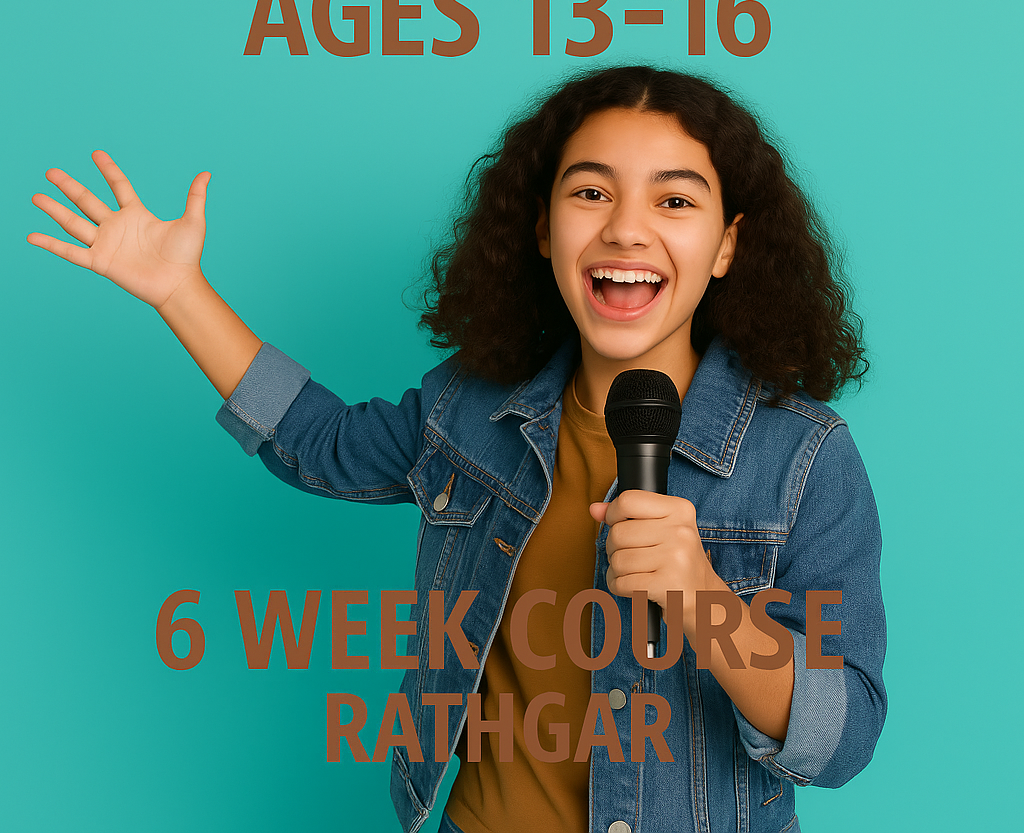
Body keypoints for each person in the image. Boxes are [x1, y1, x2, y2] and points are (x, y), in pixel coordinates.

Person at [28, 65, 885, 833]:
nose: (627, 230)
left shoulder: (803, 458)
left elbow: (841, 737)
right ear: (543, 229)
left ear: (728, 244)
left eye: (674, 200)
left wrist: (701, 597)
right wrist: (180, 292)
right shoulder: (469, 412)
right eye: (591, 193)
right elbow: (318, 442)